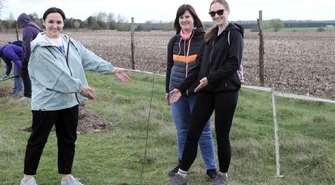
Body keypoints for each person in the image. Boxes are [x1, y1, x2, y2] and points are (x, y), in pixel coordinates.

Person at [20, 7, 131, 185]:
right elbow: (57, 75)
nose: (55, 26)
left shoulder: (70, 42)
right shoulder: (39, 48)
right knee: (37, 141)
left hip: (69, 101)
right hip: (46, 103)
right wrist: (79, 88)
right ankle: (27, 179)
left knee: (68, 140)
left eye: (58, 22)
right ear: (43, 23)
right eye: (51, 22)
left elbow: (88, 58)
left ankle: (67, 178)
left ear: (63, 23)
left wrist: (112, 69)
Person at [167, 0, 244, 184]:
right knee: (193, 132)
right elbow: (197, 67)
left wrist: (210, 78)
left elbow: (233, 63)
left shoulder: (234, 34)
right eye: (212, 13)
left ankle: (222, 175)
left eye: (219, 12)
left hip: (226, 91)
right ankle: (182, 175)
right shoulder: (209, 36)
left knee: (222, 134)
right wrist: (180, 88)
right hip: (206, 92)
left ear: (227, 11)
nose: (216, 16)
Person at [165, 4, 217, 181]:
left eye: (187, 17)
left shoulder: (204, 38)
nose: (184, 20)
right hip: (176, 93)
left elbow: (206, 66)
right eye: (181, 18)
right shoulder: (174, 41)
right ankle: (182, 164)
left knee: (203, 131)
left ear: (194, 18)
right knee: (182, 131)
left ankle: (211, 168)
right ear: (177, 21)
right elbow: (169, 67)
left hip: (198, 93)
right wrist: (168, 91)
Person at [17, 13, 42, 100]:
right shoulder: (35, 27)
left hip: (31, 55)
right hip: (38, 55)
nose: (20, 25)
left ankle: (28, 95)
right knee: (34, 74)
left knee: (24, 72)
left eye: (20, 23)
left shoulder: (27, 29)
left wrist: (27, 57)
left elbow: (28, 44)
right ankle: (36, 92)